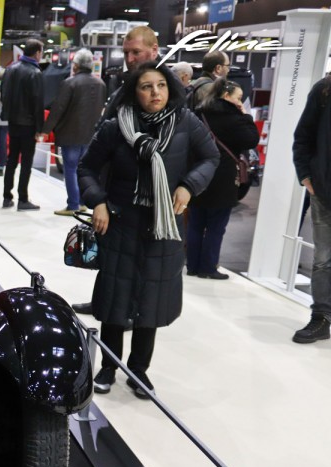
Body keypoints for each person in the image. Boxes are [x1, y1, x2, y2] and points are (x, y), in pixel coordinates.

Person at [78, 62, 219, 398]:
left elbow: (210, 157)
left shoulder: (185, 122)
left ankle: (139, 370)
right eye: (146, 86)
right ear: (134, 91)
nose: (155, 93)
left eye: (161, 85)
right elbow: (86, 167)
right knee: (116, 298)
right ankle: (109, 366)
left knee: (151, 301)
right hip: (121, 222)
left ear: (170, 88)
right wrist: (96, 200)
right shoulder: (116, 127)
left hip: (164, 225)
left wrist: (188, 186)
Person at [72, 25, 160, 316]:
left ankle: (131, 311)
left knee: (138, 260)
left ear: (154, 51)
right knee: (110, 253)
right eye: (127, 53)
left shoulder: (162, 90)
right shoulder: (124, 87)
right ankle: (103, 302)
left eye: (137, 52)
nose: (131, 58)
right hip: (114, 186)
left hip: (145, 192)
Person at [187, 78, 259, 279]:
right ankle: (208, 267)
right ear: (226, 96)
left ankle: (192, 265)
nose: (240, 102)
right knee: (216, 225)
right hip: (224, 177)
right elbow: (252, 139)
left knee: (195, 223)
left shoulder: (198, 113)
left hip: (197, 174)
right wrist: (246, 116)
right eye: (238, 98)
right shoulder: (234, 117)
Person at [290, 74, 331, 343]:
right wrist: (307, 175)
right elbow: (302, 137)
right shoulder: (324, 90)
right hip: (325, 193)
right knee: (324, 260)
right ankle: (322, 317)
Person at [42, 48, 107, 217]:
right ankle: (83, 202)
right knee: (85, 170)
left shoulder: (69, 83)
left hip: (70, 134)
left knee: (70, 169)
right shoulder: (101, 84)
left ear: (76, 65)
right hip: (91, 135)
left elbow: (58, 109)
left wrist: (45, 130)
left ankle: (73, 204)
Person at [0, 39, 44, 211]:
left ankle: (6, 197)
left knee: (12, 159)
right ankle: (23, 199)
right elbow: (37, 102)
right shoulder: (35, 72)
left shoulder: (10, 69)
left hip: (13, 122)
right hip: (29, 123)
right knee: (26, 162)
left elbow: (3, 93)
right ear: (37, 53)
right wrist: (39, 128)